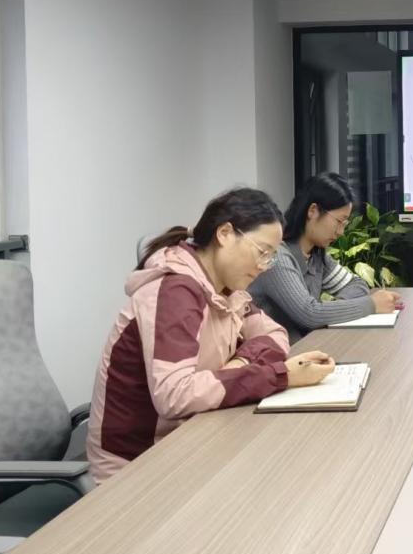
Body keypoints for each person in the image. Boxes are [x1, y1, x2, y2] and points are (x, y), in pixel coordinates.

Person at [87, 188, 334, 484]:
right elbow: (175, 395)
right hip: (136, 466)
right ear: (225, 233)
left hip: (190, 435)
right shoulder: (176, 292)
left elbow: (275, 335)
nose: (263, 266)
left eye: (270, 257)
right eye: (262, 252)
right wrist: (280, 376)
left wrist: (240, 364)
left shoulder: (227, 290)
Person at [248, 172, 402, 342]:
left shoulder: (316, 256)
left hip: (305, 347)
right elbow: (309, 314)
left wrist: (332, 310)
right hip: (279, 353)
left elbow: (357, 284)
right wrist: (371, 304)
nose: (341, 232)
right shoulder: (277, 257)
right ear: (313, 211)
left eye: (345, 224)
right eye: (339, 221)